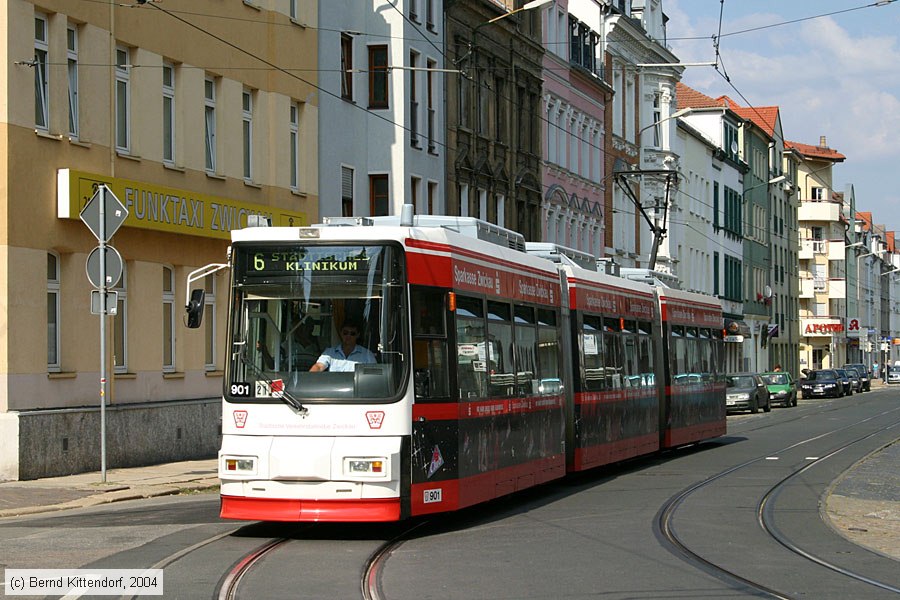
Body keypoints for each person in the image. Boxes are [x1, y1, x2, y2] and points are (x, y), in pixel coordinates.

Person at [309, 319, 376, 372]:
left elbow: (374, 374)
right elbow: (319, 366)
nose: (348, 336)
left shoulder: (367, 355)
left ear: (358, 335)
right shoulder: (330, 352)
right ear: (341, 333)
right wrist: (310, 377)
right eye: (345, 333)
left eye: (352, 333)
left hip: (357, 388)